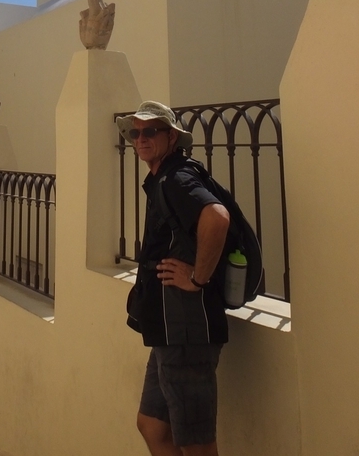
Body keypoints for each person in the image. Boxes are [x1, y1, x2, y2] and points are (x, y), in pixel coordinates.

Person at [119, 101, 231, 456]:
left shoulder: (176, 178)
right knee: (152, 426)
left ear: (171, 137)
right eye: (135, 133)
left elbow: (216, 217)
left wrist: (197, 278)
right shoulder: (163, 178)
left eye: (150, 131)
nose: (141, 139)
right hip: (169, 331)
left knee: (196, 444)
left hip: (186, 330)